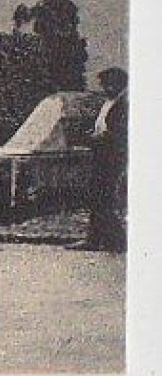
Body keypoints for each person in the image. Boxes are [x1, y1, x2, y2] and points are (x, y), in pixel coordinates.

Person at [70, 67, 128, 252]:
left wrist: (101, 138)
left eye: (109, 84)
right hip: (102, 155)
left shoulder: (125, 104)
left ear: (119, 83)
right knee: (97, 196)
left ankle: (117, 240)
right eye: (104, 84)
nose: (105, 87)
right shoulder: (109, 102)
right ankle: (95, 238)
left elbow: (121, 133)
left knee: (107, 198)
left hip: (113, 157)